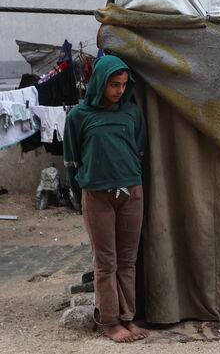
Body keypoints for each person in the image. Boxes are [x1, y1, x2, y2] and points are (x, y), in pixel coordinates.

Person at [63, 55, 149, 343]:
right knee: (106, 261)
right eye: (114, 84)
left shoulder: (132, 113)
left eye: (124, 85)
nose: (119, 91)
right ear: (99, 82)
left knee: (128, 260)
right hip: (97, 196)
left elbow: (139, 153)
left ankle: (128, 318)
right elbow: (71, 162)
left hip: (131, 194)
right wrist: (81, 199)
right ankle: (111, 322)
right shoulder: (78, 116)